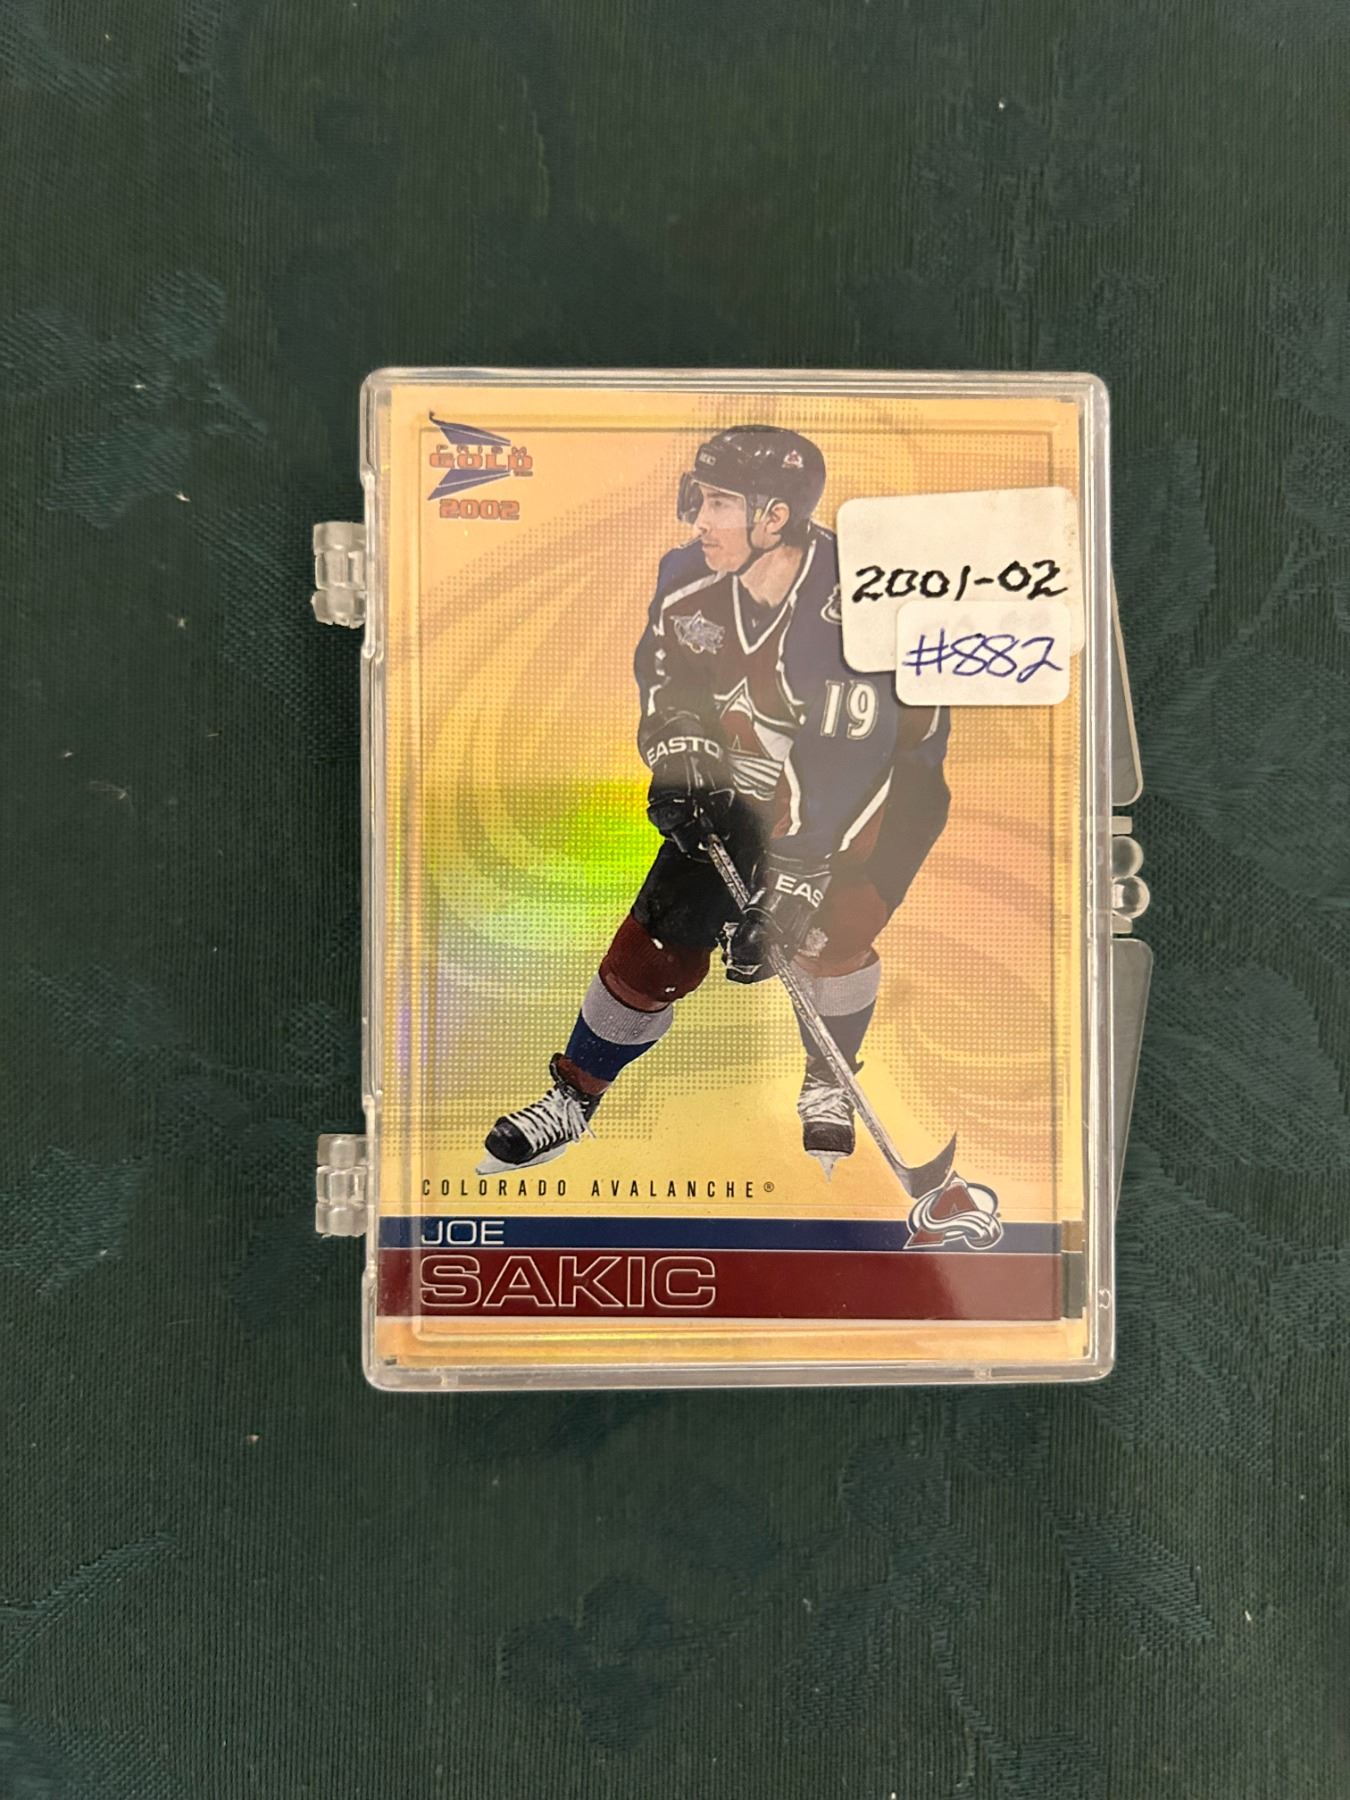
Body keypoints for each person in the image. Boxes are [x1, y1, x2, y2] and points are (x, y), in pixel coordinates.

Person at [480, 426, 951, 1177]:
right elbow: (667, 676)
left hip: (883, 789)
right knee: (657, 942)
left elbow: (847, 764)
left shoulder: (853, 605)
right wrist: (680, 755)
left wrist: (791, 883)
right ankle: (573, 1097)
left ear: (775, 517)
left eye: (721, 502)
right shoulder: (687, 575)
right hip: (757, 775)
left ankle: (828, 1078)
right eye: (699, 497)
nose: (700, 518)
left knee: (830, 932)